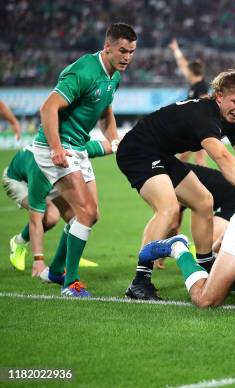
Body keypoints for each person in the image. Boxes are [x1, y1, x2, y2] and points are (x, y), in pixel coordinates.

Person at [116, 69, 235, 301]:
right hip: (138, 151)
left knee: (204, 201)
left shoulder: (233, 119)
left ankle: (206, 265)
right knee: (167, 208)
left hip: (162, 154)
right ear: (219, 96)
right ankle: (139, 282)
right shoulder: (205, 116)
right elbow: (222, 157)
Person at [32, 23, 137, 297]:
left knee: (91, 215)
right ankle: (71, 282)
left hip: (77, 147)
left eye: (132, 52)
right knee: (86, 212)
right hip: (56, 147)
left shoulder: (114, 75)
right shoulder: (84, 71)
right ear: (107, 47)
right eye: (122, 50)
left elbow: (105, 113)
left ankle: (55, 271)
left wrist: (114, 141)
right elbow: (48, 107)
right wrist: (55, 148)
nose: (127, 57)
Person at [4, 140, 111, 276]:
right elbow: (35, 220)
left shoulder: (73, 150)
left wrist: (121, 142)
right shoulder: (39, 169)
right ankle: (18, 242)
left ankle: (69, 257)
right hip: (18, 179)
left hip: (52, 173)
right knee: (50, 217)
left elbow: (104, 146)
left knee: (80, 217)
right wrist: (39, 259)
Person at [168, 38, 209, 166]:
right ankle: (179, 180)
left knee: (200, 161)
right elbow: (183, 64)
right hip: (192, 126)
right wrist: (176, 50)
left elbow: (205, 104)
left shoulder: (201, 86)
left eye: (188, 71)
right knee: (184, 157)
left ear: (192, 72)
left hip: (200, 127)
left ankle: (206, 184)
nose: (185, 72)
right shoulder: (195, 83)